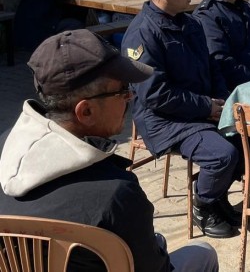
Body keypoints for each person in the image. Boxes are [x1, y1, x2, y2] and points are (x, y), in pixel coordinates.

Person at [0, 29, 218, 271]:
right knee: (203, 254)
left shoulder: (4, 148)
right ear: (86, 112)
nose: (130, 98)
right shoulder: (117, 195)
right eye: (122, 91)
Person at [122, 0, 240, 239]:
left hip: (200, 109)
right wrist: (206, 108)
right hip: (166, 120)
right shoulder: (143, 34)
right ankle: (204, 203)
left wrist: (223, 101)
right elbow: (154, 94)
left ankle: (217, 192)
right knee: (224, 154)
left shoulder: (190, 23)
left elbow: (213, 68)